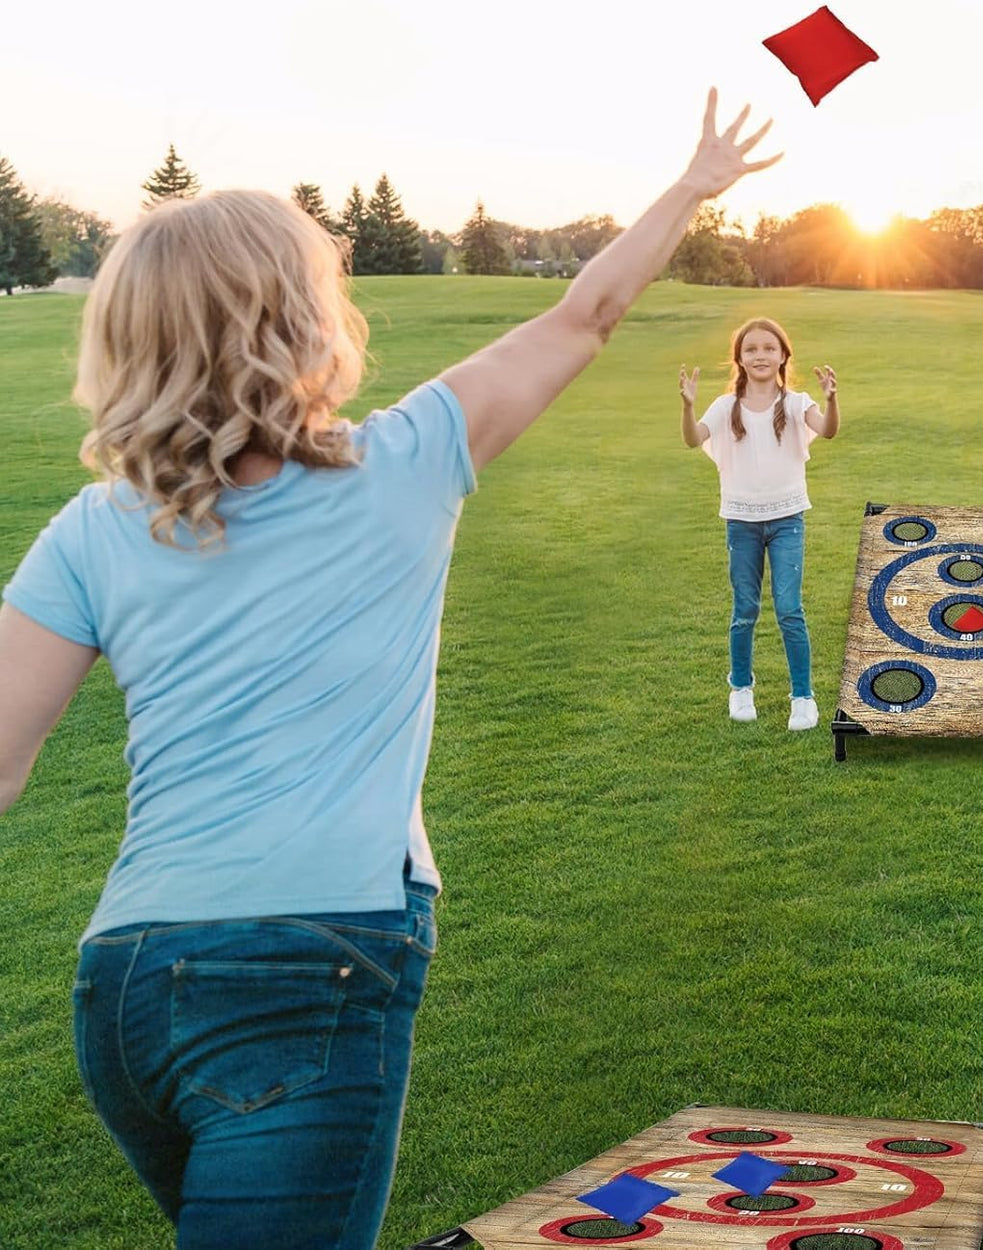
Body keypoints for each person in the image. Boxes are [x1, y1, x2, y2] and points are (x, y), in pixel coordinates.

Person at [0, 90, 779, 1248]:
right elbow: (585, 315)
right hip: (310, 969)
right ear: (298, 321)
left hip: (124, 986)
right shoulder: (403, 460)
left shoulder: (91, 528)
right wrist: (691, 186)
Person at [679, 317, 839, 730]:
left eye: (769, 348)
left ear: (783, 355)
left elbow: (829, 430)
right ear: (740, 359)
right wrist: (687, 406)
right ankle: (740, 687)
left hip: (787, 519)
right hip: (741, 521)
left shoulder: (796, 402)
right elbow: (693, 438)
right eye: (751, 349)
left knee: (790, 610)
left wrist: (832, 400)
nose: (761, 355)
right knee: (745, 610)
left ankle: (803, 698)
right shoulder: (724, 407)